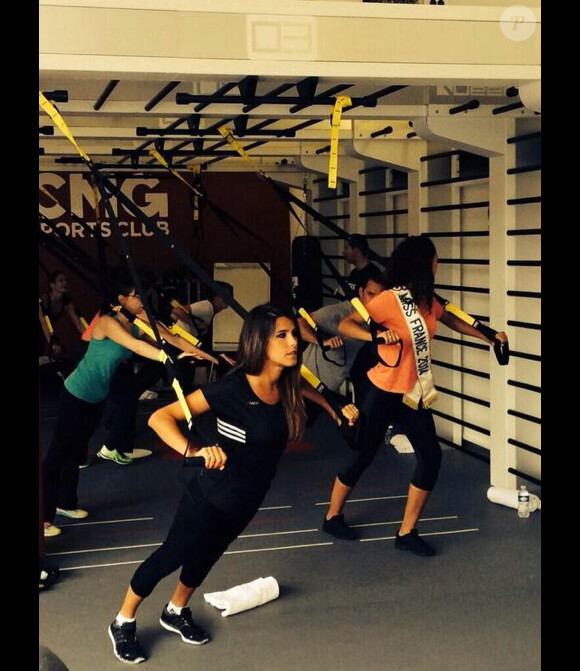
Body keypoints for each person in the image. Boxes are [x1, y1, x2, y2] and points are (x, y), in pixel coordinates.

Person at [107, 304, 358, 665]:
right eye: (282, 336)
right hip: (211, 492)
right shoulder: (231, 389)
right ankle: (123, 620)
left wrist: (336, 407)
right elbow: (162, 418)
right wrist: (195, 450)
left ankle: (175, 610)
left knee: (207, 556)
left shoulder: (284, 383)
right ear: (259, 342)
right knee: (172, 555)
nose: (294, 343)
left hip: (248, 496)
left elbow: (305, 388)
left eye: (294, 335)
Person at [323, 235, 507, 552]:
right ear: (424, 263)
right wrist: (377, 334)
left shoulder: (426, 301)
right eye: (435, 259)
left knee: (431, 457)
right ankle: (332, 516)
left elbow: (453, 320)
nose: (438, 264)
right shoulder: (390, 300)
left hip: (412, 394)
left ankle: (406, 532)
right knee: (363, 455)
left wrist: (490, 337)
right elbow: (346, 324)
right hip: (381, 390)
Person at [41, 271, 198, 537]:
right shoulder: (107, 322)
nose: (142, 302)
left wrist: (189, 351)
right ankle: (43, 517)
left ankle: (65, 503)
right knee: (58, 452)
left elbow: (160, 337)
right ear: (121, 298)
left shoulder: (135, 323)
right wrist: (166, 358)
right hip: (76, 393)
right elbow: (136, 346)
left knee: (77, 448)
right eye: (138, 297)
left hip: (97, 397)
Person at [298, 268, 386, 394]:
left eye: (380, 296)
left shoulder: (376, 317)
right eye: (370, 294)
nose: (375, 301)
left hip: (328, 391)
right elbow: (300, 323)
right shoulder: (341, 312)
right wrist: (322, 341)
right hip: (305, 382)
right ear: (361, 292)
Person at [39, 271, 85, 360]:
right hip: (43, 329)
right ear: (52, 285)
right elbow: (43, 322)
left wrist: (92, 339)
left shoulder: (67, 303)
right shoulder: (42, 299)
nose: (65, 283)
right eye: (61, 280)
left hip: (45, 333)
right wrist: (52, 343)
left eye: (65, 280)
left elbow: (78, 324)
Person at [170, 281, 234, 341]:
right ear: (214, 296)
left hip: (181, 338)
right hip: (179, 337)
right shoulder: (206, 307)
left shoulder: (210, 310)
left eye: (229, 296)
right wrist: (192, 326)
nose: (227, 298)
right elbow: (177, 311)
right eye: (224, 295)